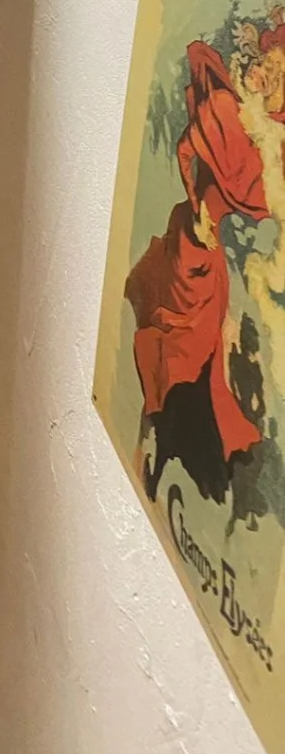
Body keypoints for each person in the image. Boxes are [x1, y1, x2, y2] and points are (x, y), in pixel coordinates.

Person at [126, 30, 285, 501]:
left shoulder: (262, 138)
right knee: (175, 333)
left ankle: (192, 438)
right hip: (198, 246)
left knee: (196, 352)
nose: (268, 71)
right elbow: (200, 149)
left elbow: (253, 193)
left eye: (277, 68)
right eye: (269, 61)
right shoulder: (235, 110)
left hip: (221, 263)